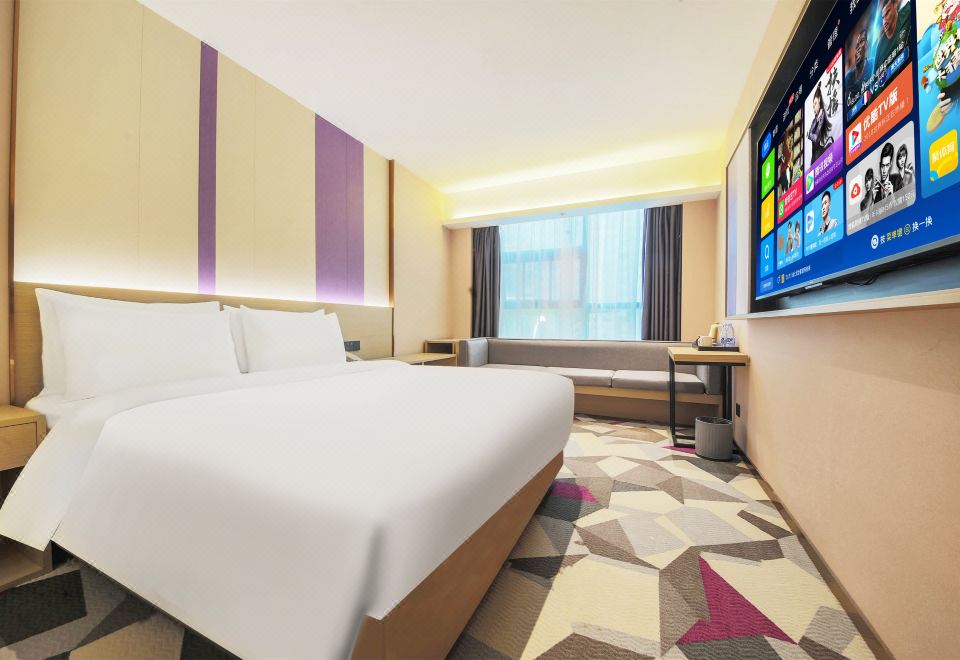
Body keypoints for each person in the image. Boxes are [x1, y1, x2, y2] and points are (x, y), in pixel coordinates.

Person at [875, 0, 912, 71]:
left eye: (887, 13)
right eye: (883, 17)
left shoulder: (908, 12)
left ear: (895, 5)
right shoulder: (879, 49)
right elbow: (875, 76)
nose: (884, 22)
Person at [845, 23, 871, 111]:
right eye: (856, 46)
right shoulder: (848, 78)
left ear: (867, 44)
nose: (858, 48)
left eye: (862, 42)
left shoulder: (873, 64)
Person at [807, 83, 834, 162]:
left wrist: (810, 134)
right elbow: (810, 135)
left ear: (819, 100)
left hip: (819, 155)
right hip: (814, 156)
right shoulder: (815, 120)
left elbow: (815, 137)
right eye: (813, 106)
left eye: (815, 103)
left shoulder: (822, 117)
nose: (814, 108)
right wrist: (816, 120)